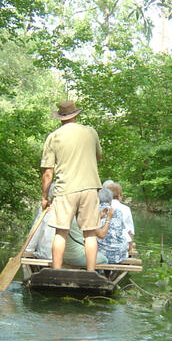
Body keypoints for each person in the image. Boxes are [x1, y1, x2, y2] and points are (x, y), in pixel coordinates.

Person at [40, 100, 102, 270]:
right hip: (89, 187)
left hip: (65, 189)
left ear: (60, 117)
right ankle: (91, 273)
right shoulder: (91, 132)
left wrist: (44, 197)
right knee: (90, 234)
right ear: (76, 115)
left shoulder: (53, 137)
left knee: (61, 232)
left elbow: (48, 172)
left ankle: (56, 272)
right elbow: (98, 157)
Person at [95, 187, 129, 264]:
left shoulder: (93, 211)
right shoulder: (118, 212)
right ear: (110, 201)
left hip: (100, 253)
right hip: (119, 254)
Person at [106, 182, 135, 254]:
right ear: (119, 196)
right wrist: (130, 248)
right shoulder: (126, 209)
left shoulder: (101, 207)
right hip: (120, 247)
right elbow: (131, 231)